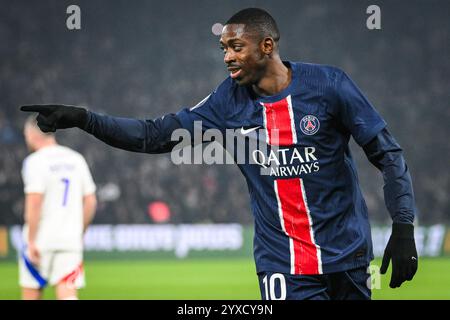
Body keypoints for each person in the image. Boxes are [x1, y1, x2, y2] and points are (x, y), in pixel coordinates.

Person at [20, 8, 418, 300]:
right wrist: (84, 118)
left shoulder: (329, 85)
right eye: (223, 47)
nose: (226, 55)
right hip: (284, 266)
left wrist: (403, 228)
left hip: (348, 257)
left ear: (267, 46)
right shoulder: (226, 102)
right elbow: (153, 135)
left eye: (235, 46)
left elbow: (388, 155)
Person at [19, 116, 97, 300]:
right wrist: (80, 232)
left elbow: (35, 201)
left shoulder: (34, 161)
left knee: (32, 292)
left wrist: (31, 240)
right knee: (68, 294)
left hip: (41, 240)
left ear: (32, 134)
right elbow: (91, 200)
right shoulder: (76, 159)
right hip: (69, 240)